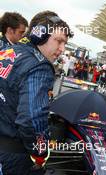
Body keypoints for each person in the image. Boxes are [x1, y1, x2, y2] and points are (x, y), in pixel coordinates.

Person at [0, 11, 73, 174]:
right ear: (39, 35)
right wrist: (41, 153)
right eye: (59, 41)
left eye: (65, 43)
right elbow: (31, 120)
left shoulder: (6, 52)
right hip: (12, 156)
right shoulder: (39, 67)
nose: (62, 49)